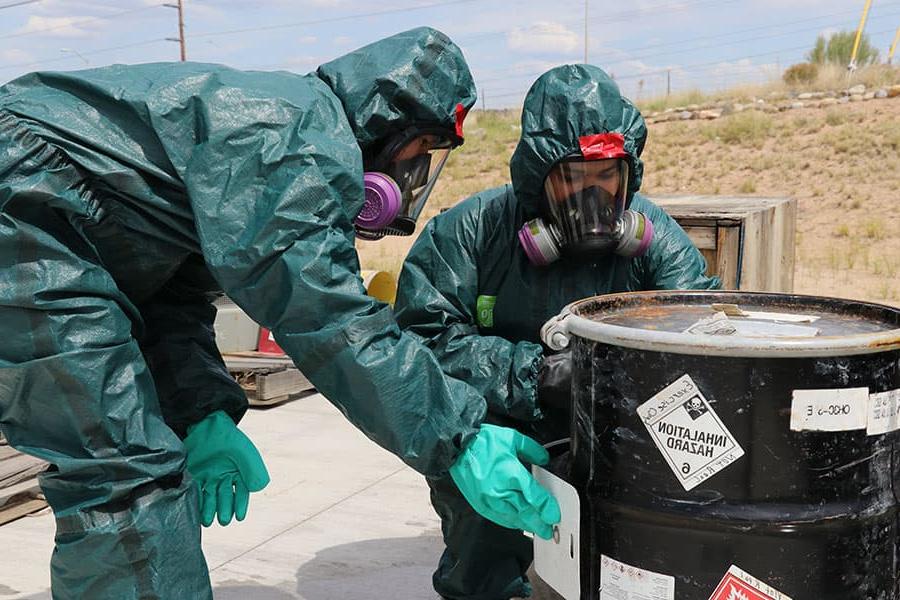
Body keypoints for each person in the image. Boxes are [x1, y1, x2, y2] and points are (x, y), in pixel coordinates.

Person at [0, 27, 558, 600]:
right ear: (386, 127)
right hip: (24, 205)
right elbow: (330, 319)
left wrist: (200, 413)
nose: (413, 181)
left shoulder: (281, 132)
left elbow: (172, 293)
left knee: (133, 465)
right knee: (124, 477)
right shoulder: (296, 142)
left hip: (41, 207)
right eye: (419, 157)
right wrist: (457, 437)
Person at [394, 64, 721, 600]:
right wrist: (536, 374)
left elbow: (702, 329)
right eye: (573, 176)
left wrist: (610, 379)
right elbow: (421, 341)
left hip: (617, 416)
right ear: (536, 174)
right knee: (480, 528)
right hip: (504, 418)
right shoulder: (471, 231)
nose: (593, 196)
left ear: (627, 173)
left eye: (607, 176)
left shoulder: (655, 237)